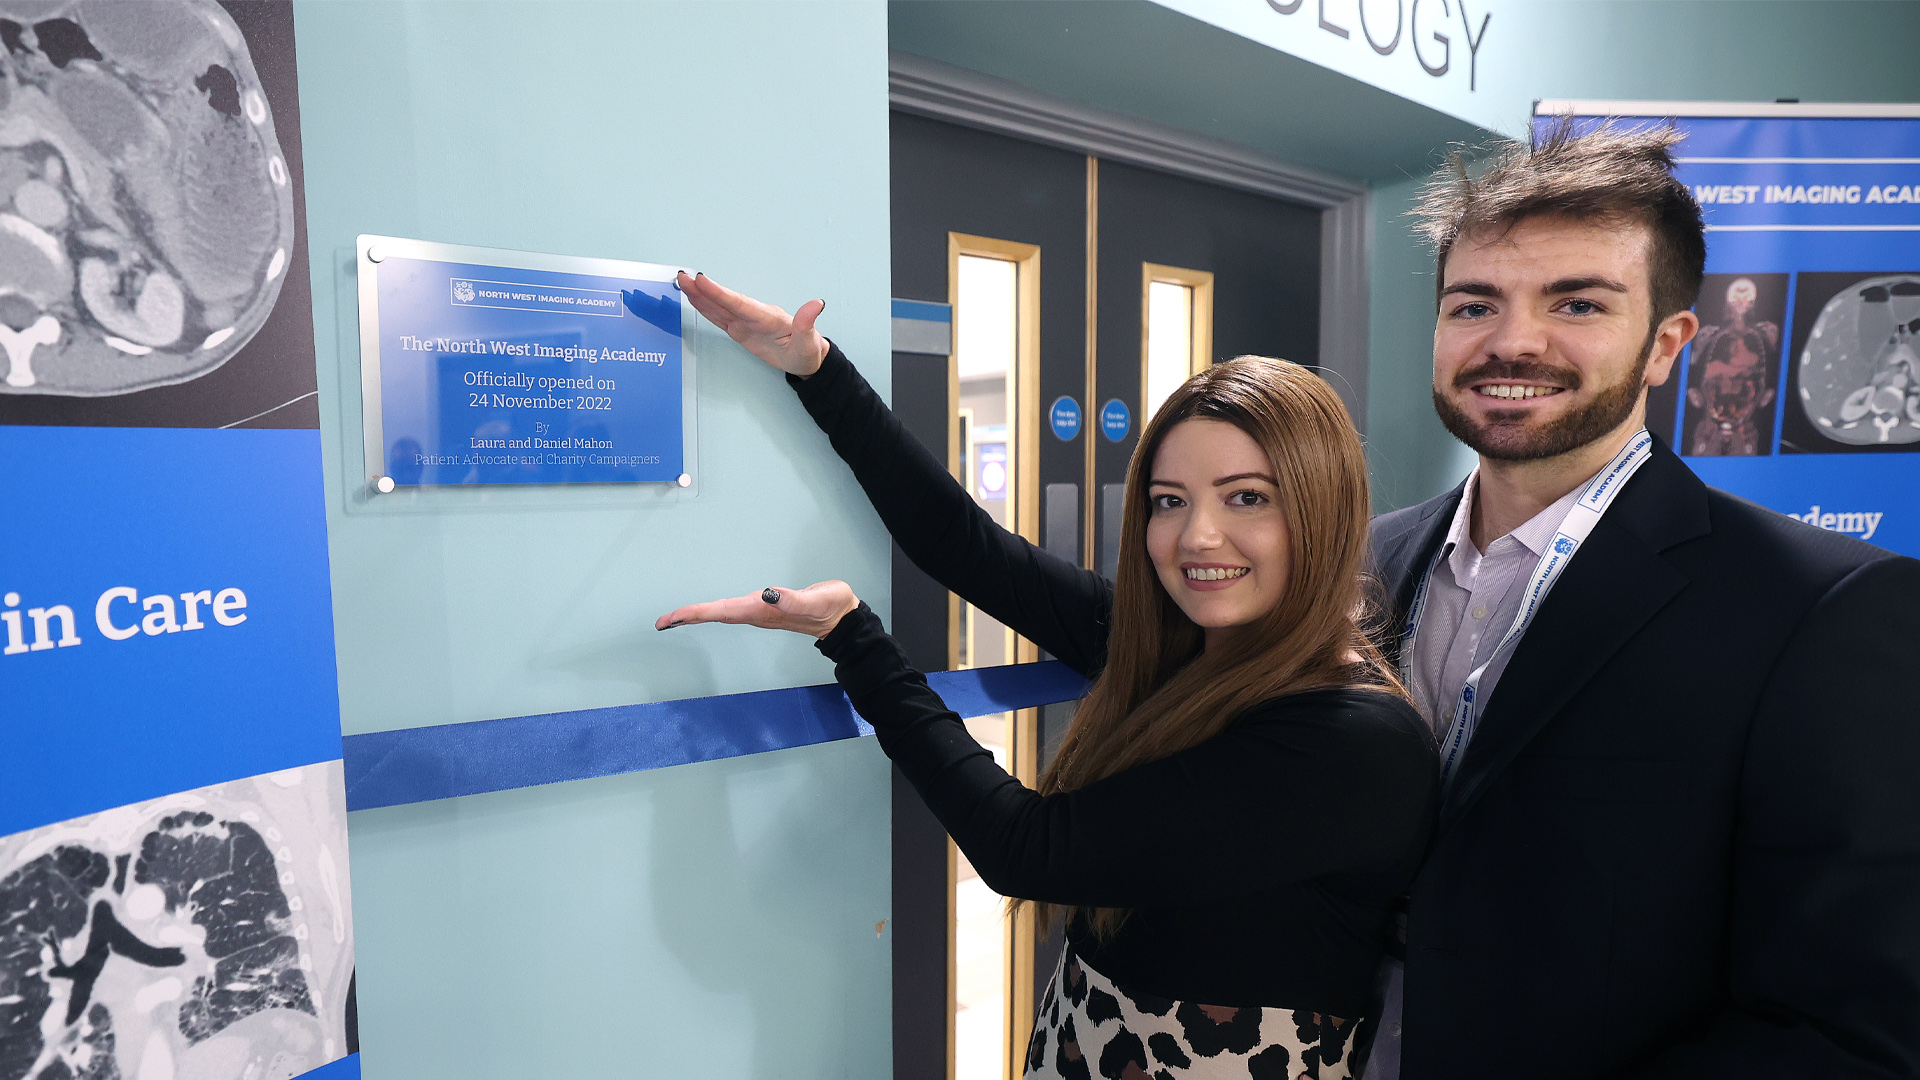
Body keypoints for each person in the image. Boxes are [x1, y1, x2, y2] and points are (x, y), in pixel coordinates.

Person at [658, 325, 1439, 1078]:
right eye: (1168, 502)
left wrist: (854, 639)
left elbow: (1025, 848)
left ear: (1324, 508)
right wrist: (817, 370)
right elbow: (966, 547)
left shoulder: (1353, 738)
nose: (1198, 536)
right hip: (1087, 1039)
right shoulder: (1179, 647)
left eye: (1246, 498)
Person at [1358, 122, 1920, 1078]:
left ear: (1666, 346)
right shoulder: (1370, 560)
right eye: (1473, 304)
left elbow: (1847, 1030)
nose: (1512, 341)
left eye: (1577, 303)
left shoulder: (1821, 610)